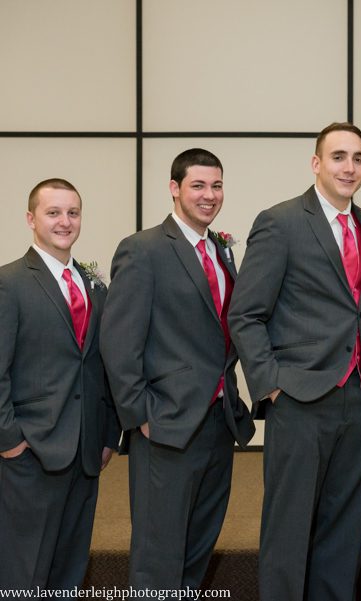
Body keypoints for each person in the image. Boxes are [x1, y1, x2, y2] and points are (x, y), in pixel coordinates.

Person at [228, 122, 361, 601]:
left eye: (357, 158)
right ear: (316, 163)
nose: (349, 167)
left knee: (346, 531)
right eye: (338, 157)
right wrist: (271, 383)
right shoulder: (281, 221)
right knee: (289, 531)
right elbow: (246, 313)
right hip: (299, 398)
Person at [100, 148, 254, 589]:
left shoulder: (222, 250)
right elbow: (119, 342)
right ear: (174, 189)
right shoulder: (143, 249)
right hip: (164, 425)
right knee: (157, 557)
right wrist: (140, 415)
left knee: (197, 551)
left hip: (218, 423)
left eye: (217, 185)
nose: (210, 195)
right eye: (198, 185)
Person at [0, 178, 119, 589]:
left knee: (68, 573)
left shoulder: (94, 288)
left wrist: (107, 434)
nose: (65, 221)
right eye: (53, 213)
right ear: (31, 219)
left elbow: (102, 367)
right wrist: (10, 441)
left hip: (86, 454)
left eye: (72, 212)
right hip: (30, 453)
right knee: (23, 573)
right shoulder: (9, 283)